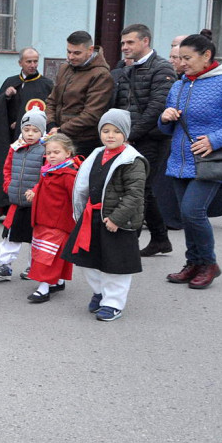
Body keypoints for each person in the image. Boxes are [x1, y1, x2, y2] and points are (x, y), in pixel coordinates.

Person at [158, 34, 222, 289]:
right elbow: (167, 128)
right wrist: (165, 118)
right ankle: (193, 263)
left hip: (211, 161)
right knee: (185, 214)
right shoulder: (179, 85)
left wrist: (214, 139)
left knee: (193, 211)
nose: (181, 63)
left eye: (187, 58)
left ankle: (209, 264)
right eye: (179, 58)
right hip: (180, 161)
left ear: (206, 56)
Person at [63, 110, 147, 321]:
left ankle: (113, 303)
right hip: (92, 217)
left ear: (125, 134)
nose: (110, 135)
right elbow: (83, 184)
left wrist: (117, 218)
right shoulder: (96, 154)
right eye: (106, 130)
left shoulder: (132, 160)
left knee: (116, 265)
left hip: (117, 220)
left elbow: (135, 194)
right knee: (87, 259)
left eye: (117, 131)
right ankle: (100, 292)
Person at [111, 24, 178, 258]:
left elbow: (156, 108)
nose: (124, 47)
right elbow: (120, 106)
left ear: (145, 41)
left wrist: (130, 136)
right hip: (130, 138)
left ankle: (129, 243)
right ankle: (160, 239)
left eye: (130, 42)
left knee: (139, 190)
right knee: (142, 189)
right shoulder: (128, 70)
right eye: (122, 43)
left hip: (151, 140)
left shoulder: (162, 68)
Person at [0, 47, 53, 216]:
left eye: (35, 61)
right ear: (20, 63)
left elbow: (49, 110)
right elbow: (2, 110)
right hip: (12, 138)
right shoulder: (10, 82)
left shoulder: (46, 84)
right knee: (10, 170)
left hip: (34, 141)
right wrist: (7, 96)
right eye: (28, 61)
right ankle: (6, 204)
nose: (32, 65)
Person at [0, 108, 46, 282]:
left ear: (42, 131)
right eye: (26, 129)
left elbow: (46, 174)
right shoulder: (15, 148)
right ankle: (4, 265)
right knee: (9, 235)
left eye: (35, 130)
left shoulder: (45, 150)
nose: (30, 134)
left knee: (34, 238)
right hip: (16, 202)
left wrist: (37, 191)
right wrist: (8, 185)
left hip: (35, 204)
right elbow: (7, 168)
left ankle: (33, 267)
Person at [24, 133, 79, 303]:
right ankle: (58, 281)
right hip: (43, 219)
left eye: (56, 152)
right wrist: (34, 190)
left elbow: (76, 197)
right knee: (47, 252)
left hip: (58, 222)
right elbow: (42, 186)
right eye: (49, 153)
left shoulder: (69, 175)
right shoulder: (48, 170)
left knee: (47, 256)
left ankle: (44, 287)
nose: (52, 156)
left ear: (67, 153)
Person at [46, 31, 114, 156]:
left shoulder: (101, 75)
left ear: (90, 50)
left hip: (83, 141)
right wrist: (51, 124)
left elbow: (92, 114)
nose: (71, 57)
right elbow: (52, 100)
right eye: (69, 52)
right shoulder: (64, 68)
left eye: (77, 53)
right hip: (58, 136)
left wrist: (61, 130)